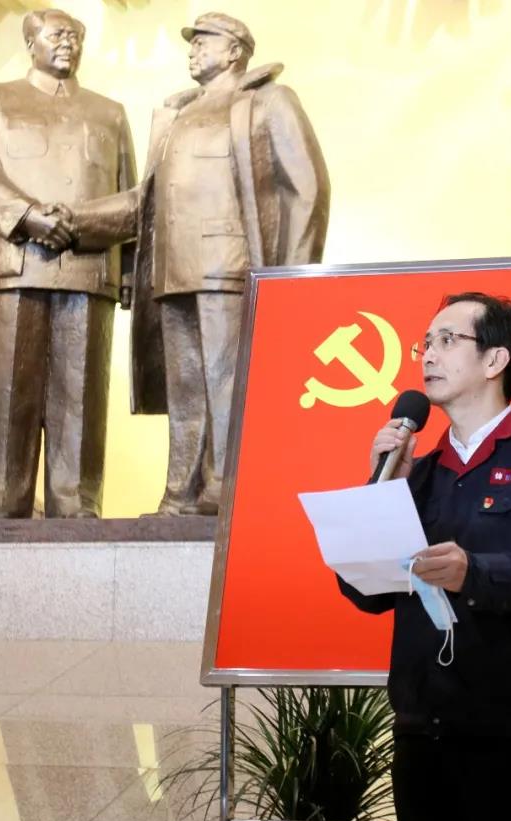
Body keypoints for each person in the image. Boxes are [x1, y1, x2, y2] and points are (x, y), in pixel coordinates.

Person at [337, 292, 511, 821]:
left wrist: (476, 573)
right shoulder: (417, 473)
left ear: (495, 360)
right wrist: (381, 489)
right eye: (425, 344)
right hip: (422, 734)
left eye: (447, 340)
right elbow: (365, 592)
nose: (428, 356)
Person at [125, 13, 330, 515]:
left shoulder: (268, 101)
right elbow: (143, 202)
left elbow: (307, 187)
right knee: (185, 388)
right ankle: (180, 491)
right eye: (192, 43)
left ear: (235, 50)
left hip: (228, 264)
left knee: (225, 378)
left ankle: (224, 483)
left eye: (205, 42)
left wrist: (292, 279)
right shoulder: (175, 113)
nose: (193, 50)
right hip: (173, 270)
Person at [0, 8, 137, 518]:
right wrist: (28, 216)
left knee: (81, 403)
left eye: (75, 36)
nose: (68, 43)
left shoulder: (109, 113)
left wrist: (128, 273)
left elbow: (132, 197)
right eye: (57, 35)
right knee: (7, 399)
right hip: (14, 264)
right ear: (30, 43)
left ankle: (76, 513)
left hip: (90, 270)